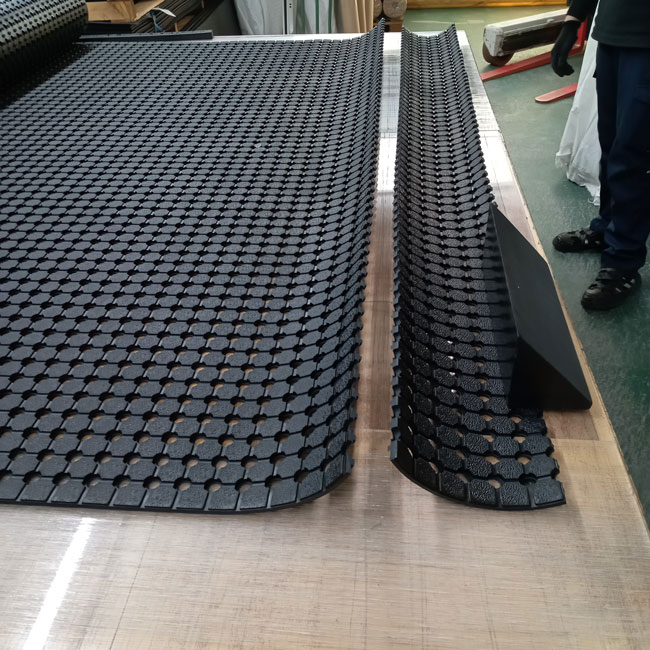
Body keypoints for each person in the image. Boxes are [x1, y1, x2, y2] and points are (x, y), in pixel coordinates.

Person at [550, 0, 650, 310]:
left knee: (632, 154)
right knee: (610, 144)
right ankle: (607, 229)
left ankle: (623, 262)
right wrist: (573, 19)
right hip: (610, 34)